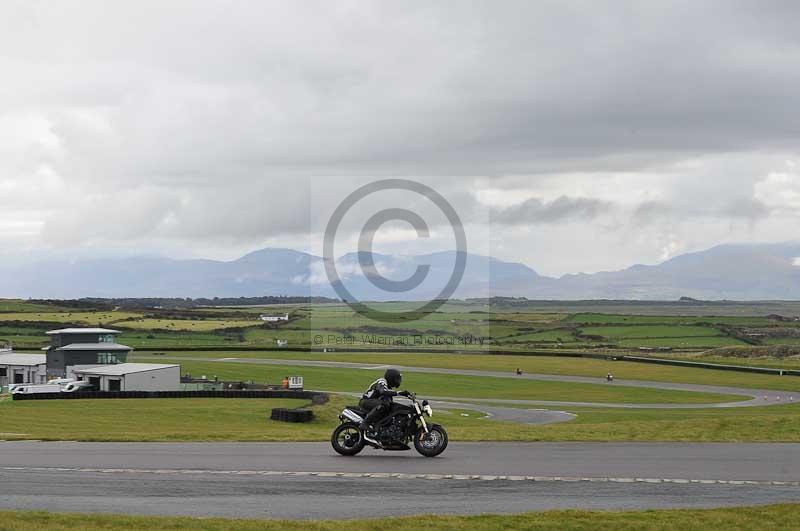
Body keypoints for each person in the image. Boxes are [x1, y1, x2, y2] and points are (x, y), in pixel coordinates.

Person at [359, 368, 410, 441]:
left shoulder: (388, 387)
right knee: (383, 404)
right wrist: (399, 393)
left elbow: (388, 397)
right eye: (397, 379)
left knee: (390, 406)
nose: (398, 381)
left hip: (374, 403)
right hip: (366, 401)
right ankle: (365, 423)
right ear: (391, 378)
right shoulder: (382, 381)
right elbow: (382, 391)